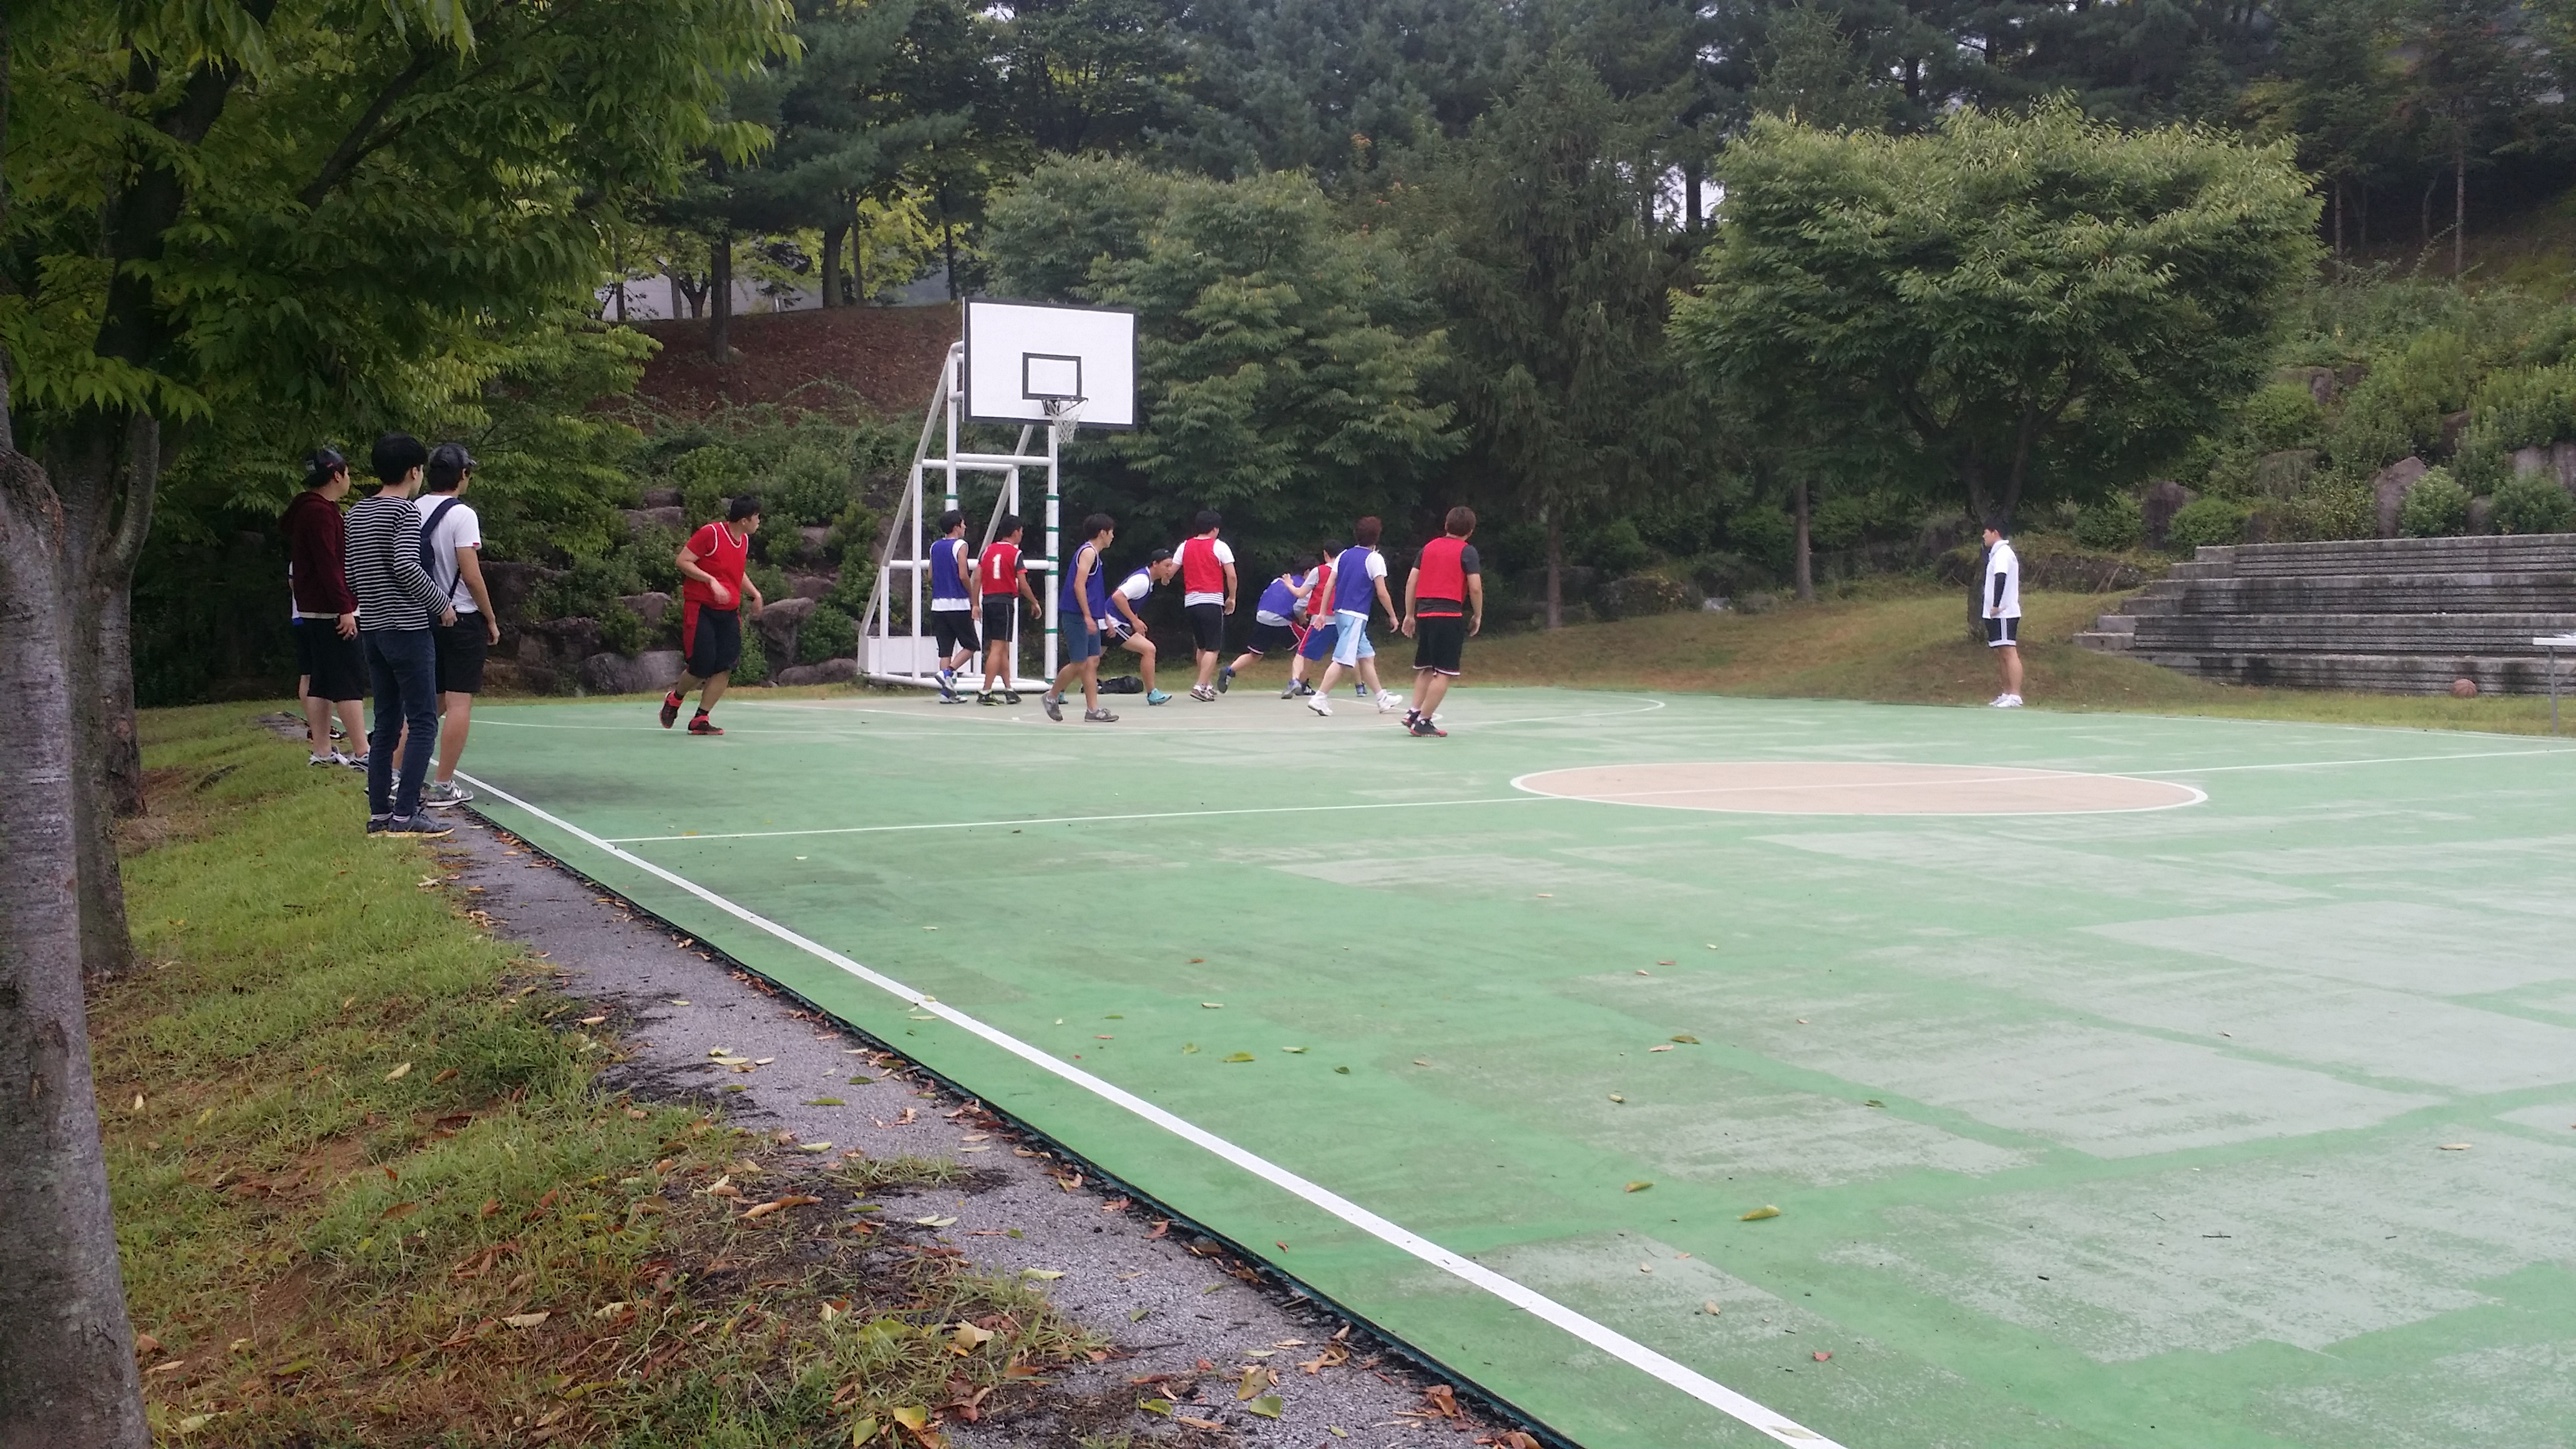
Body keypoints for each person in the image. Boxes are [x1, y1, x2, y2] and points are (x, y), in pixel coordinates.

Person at [348, 433, 455, 838]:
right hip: (408, 629)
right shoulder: (405, 512)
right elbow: (407, 565)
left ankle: (380, 812)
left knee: (387, 722)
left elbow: (350, 573)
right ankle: (406, 812)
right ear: (415, 472)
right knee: (424, 721)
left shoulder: (356, 513)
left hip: (373, 630)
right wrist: (441, 604)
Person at [416, 444, 500, 807]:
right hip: (461, 615)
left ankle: (394, 775)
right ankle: (443, 783)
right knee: (459, 701)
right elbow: (471, 573)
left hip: (422, 615)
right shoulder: (462, 514)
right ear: (462, 474)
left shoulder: (413, 508)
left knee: (425, 703)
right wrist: (490, 617)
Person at [281, 447, 368, 769]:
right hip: (330, 610)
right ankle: (363, 752)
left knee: (319, 679)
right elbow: (329, 565)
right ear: (336, 475)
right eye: (347, 472)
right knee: (348, 680)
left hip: (311, 609)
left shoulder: (307, 509)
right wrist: (345, 607)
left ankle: (322, 750)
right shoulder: (320, 512)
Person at [660, 495, 766, 735]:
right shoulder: (712, 534)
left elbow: (736, 572)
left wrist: (755, 594)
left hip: (728, 613)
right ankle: (675, 699)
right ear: (744, 520)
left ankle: (701, 718)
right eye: (757, 517)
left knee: (725, 666)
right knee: (701, 665)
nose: (759, 521)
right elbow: (683, 561)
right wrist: (710, 581)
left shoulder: (744, 540)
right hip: (702, 609)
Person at [1305, 517, 1403, 718]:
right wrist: (1393, 615)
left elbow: (1330, 584)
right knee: (1342, 659)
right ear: (1377, 537)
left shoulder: (1344, 555)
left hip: (1341, 613)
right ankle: (1320, 697)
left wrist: (1323, 613)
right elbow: (1382, 592)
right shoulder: (1374, 559)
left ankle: (1382, 698)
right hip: (1356, 615)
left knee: (1366, 656)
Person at [1400, 507, 1483, 738]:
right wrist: (1477, 615)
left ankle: (1413, 712)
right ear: (1471, 531)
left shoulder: (1428, 548)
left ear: (1446, 526)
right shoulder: (1467, 551)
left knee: (1427, 667)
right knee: (1444, 672)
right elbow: (1475, 588)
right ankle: (1424, 721)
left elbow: (1411, 582)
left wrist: (1409, 614)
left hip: (1425, 614)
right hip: (1448, 615)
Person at [1045, 514, 1120, 723]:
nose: (1113, 536)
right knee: (1079, 662)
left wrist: (1104, 617)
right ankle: (1051, 697)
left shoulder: (1095, 554)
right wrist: (1087, 616)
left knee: (1092, 661)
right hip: (1076, 615)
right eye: (1111, 532)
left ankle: (1093, 710)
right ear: (1102, 533)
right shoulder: (1088, 552)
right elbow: (1079, 585)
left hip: (1090, 615)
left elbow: (1094, 592)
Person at [977, 513, 1040, 705]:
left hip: (988, 600)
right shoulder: (1015, 553)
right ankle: (986, 691)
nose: (1022, 534)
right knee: (997, 648)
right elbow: (1022, 583)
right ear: (1015, 532)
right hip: (1004, 601)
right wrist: (1034, 601)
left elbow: (977, 577)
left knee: (1002, 646)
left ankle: (1008, 689)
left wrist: (975, 603)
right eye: (1021, 531)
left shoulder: (987, 551)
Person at [1104, 548, 1179, 705]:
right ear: (1155, 564)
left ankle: (1059, 691)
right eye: (1166, 566)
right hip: (1112, 623)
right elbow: (1118, 597)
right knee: (1149, 649)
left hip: (1110, 621)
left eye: (1171, 566)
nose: (1169, 570)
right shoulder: (1142, 581)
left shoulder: (1147, 581)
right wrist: (1134, 621)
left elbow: (1129, 602)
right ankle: (1152, 693)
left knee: (1089, 660)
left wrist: (1136, 621)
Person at [1176, 510, 1239, 700]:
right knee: (1213, 647)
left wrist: (1164, 578)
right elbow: (1232, 575)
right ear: (1215, 529)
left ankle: (1207, 684)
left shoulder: (1185, 545)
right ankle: (1200, 685)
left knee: (1202, 647)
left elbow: (1172, 569)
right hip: (1211, 601)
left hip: (1191, 602)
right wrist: (1232, 598)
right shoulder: (1219, 546)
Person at [1228, 554, 1317, 685]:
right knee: (1306, 648)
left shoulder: (1278, 580)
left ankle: (1229, 671)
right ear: (1308, 572)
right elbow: (1298, 608)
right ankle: (1298, 683)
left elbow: (1267, 596)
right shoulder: (1305, 587)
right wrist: (1301, 618)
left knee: (1255, 654)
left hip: (1262, 617)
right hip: (1281, 619)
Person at [927, 508, 979, 702]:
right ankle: (947, 673)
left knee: (945, 649)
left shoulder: (934, 546)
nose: (965, 527)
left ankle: (946, 693)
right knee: (971, 645)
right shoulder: (960, 545)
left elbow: (930, 574)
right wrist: (973, 597)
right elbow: (963, 574)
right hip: (958, 603)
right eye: (963, 523)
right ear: (956, 526)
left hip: (938, 605)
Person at [1282, 539, 1342, 698]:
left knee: (1302, 653)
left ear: (1325, 554)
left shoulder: (1319, 571)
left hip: (1321, 619)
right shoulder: (1346, 571)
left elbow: (1301, 593)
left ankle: (1295, 681)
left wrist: (1289, 584)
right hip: (1343, 619)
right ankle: (1365, 686)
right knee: (1354, 654)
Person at [1982, 517, 2023, 708]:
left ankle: (2015, 695)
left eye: (1986, 532)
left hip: (2005, 613)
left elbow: (2001, 577)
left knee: (2009, 651)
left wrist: (1997, 605)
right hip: (1996, 614)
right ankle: (2007, 693)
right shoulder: (1996, 554)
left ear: (1995, 533)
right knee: (2001, 652)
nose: (1984, 536)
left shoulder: (2003, 553)